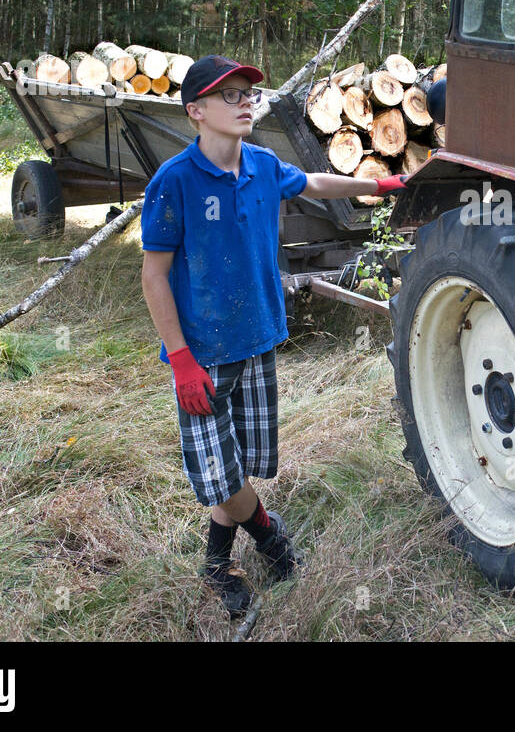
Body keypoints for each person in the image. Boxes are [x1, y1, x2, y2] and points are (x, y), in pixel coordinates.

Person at [139, 55, 406, 617]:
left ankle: (218, 564)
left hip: (257, 337)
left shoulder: (262, 165)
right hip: (203, 354)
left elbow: (312, 181)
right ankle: (268, 536)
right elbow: (154, 275)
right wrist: (181, 359)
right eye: (228, 95)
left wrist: (379, 182)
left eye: (246, 94)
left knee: (235, 467)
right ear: (196, 112)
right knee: (219, 472)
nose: (244, 103)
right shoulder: (175, 182)